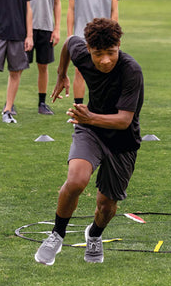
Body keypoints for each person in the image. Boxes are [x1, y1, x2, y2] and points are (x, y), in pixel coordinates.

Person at [34, 18, 143, 265]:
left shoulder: (131, 71)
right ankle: (56, 235)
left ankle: (94, 234)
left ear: (119, 46)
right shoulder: (80, 51)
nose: (105, 60)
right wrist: (61, 74)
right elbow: (69, 43)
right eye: (98, 54)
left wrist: (89, 116)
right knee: (76, 180)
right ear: (89, 49)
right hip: (91, 130)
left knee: (106, 206)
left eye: (111, 53)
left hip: (122, 140)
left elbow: (124, 120)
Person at [65, 0, 120, 107]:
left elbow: (114, 10)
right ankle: (78, 109)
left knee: (105, 71)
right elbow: (71, 10)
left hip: (104, 35)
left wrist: (114, 35)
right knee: (79, 71)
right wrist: (70, 36)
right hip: (81, 34)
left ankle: (102, 107)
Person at [19, 0, 63, 115]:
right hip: (25, 29)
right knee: (18, 67)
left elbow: (57, 2)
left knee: (43, 66)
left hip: (46, 28)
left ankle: (42, 103)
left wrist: (57, 28)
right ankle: (10, 104)